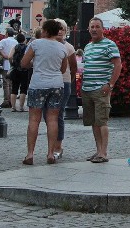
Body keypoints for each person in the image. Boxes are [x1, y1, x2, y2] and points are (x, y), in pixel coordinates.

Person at [19, 19, 68, 165]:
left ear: (45, 31)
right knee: (53, 119)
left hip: (38, 83)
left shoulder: (35, 44)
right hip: (56, 84)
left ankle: (30, 154)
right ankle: (51, 153)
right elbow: (63, 69)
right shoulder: (62, 48)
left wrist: (35, 64)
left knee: (34, 119)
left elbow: (23, 63)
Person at [81, 17, 122, 163]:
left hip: (101, 89)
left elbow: (118, 65)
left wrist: (110, 84)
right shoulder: (88, 46)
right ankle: (98, 150)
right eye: (92, 27)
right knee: (93, 122)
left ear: (102, 29)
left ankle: (104, 152)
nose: (94, 29)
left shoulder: (109, 45)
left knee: (102, 121)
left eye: (97, 27)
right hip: (87, 88)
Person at [51, 18, 78, 160]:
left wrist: (69, 81)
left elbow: (74, 68)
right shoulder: (48, 45)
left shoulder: (69, 47)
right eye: (58, 28)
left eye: (62, 28)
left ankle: (58, 145)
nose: (60, 31)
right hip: (50, 83)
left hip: (64, 83)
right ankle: (52, 145)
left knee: (58, 114)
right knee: (49, 116)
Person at [9, 33, 31, 112]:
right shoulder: (27, 47)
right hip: (24, 69)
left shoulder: (15, 47)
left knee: (14, 88)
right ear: (24, 39)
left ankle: (13, 107)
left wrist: (12, 63)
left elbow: (10, 56)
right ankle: (21, 106)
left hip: (15, 69)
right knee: (23, 89)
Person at [0, 28, 18, 108]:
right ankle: (12, 100)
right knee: (12, 83)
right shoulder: (15, 41)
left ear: (6, 34)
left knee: (6, 83)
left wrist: (3, 54)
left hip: (6, 63)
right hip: (13, 64)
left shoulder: (4, 41)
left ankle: (6, 100)